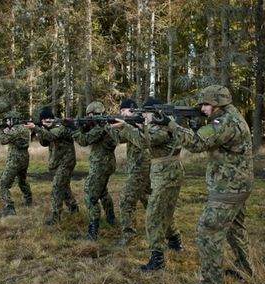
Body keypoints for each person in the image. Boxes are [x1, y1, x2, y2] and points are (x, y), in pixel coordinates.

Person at [154, 85, 254, 284]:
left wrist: (170, 124)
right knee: (235, 229)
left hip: (229, 187)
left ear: (218, 104)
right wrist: (195, 123)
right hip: (236, 184)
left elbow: (197, 143)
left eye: (206, 104)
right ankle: (245, 270)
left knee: (207, 231)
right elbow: (205, 137)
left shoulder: (224, 122)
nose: (203, 108)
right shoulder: (230, 117)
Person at [110, 97, 184, 271]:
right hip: (161, 173)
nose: (145, 116)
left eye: (147, 113)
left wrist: (127, 126)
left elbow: (145, 141)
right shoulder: (157, 125)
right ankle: (174, 240)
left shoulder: (164, 126)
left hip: (167, 173)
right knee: (158, 210)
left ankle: (157, 258)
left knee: (154, 215)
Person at [106, 99, 152, 246]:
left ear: (132, 110)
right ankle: (166, 230)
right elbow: (120, 138)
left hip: (141, 168)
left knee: (126, 200)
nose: (122, 114)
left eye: (123, 111)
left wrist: (126, 126)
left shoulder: (143, 123)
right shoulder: (132, 125)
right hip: (139, 168)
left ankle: (129, 236)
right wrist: (108, 126)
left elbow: (143, 141)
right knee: (150, 200)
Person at [73, 101, 118, 240]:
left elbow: (84, 140)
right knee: (102, 192)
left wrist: (75, 129)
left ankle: (93, 232)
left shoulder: (101, 127)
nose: (89, 118)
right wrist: (84, 126)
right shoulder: (104, 125)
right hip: (106, 164)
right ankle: (111, 218)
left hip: (101, 165)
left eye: (90, 116)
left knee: (90, 195)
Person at [25, 107, 79, 225]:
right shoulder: (48, 128)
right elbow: (44, 143)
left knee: (57, 187)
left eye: (50, 119)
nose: (48, 121)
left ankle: (55, 217)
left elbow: (52, 137)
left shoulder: (60, 127)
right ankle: (73, 208)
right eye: (45, 120)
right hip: (58, 162)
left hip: (66, 162)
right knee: (63, 187)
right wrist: (41, 130)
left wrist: (37, 128)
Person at [0, 111, 33, 217]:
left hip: (15, 160)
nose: (7, 121)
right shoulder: (23, 128)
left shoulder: (16, 129)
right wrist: (6, 131)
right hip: (24, 159)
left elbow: (3, 140)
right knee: (22, 180)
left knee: (3, 183)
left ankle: (10, 207)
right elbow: (14, 139)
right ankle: (29, 199)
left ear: (14, 120)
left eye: (9, 120)